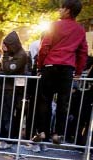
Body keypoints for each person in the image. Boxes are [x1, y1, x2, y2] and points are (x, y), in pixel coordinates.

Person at [34, 0, 88, 146]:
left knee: (45, 100)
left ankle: (43, 131)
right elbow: (83, 52)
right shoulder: (80, 29)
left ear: (68, 10)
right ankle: (58, 134)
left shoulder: (54, 25)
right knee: (63, 103)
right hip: (67, 68)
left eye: (62, 8)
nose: (59, 10)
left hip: (50, 65)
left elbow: (44, 47)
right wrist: (78, 71)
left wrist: (40, 66)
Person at [0, 31, 27, 150]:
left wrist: (6, 54)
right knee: (2, 114)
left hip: (11, 90)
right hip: (4, 88)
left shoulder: (20, 55)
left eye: (6, 45)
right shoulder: (11, 53)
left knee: (7, 115)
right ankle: (3, 137)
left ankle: (7, 139)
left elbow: (8, 69)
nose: (4, 47)